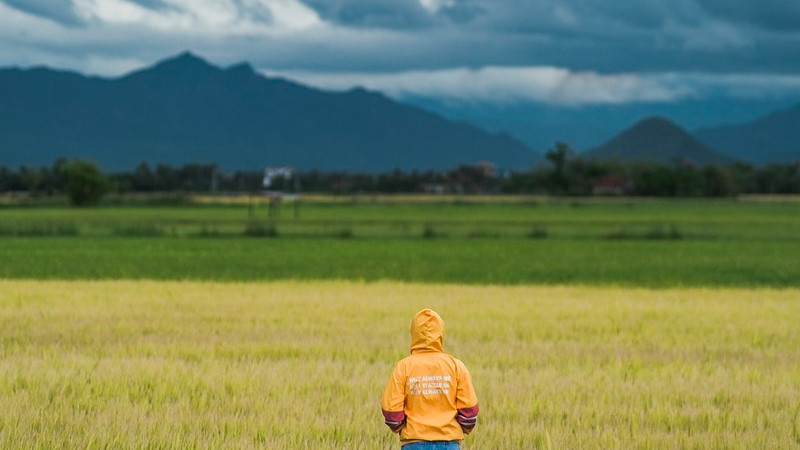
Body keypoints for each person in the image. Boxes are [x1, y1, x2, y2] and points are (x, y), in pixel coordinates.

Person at [381, 308, 479, 449]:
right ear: (440, 333)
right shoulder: (456, 366)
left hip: (413, 444)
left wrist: (407, 428)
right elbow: (469, 414)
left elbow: (392, 414)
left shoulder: (403, 367)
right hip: (449, 444)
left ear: (414, 333)